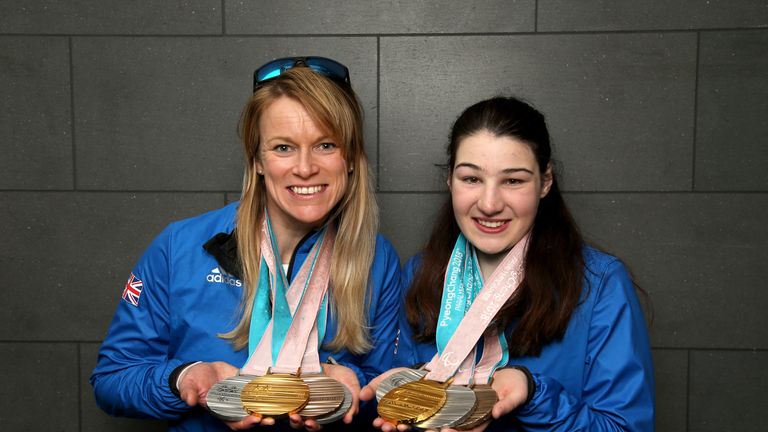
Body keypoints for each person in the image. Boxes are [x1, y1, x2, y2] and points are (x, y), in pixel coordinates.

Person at [91, 57, 402, 432]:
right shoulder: (180, 246)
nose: (304, 168)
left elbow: (389, 397)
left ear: (349, 157)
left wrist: (342, 385)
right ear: (257, 159)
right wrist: (183, 378)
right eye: (283, 148)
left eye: (325, 145)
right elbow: (111, 378)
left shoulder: (376, 259)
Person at [361, 96, 655, 431]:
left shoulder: (599, 284)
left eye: (513, 181)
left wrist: (533, 393)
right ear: (450, 180)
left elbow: (624, 427)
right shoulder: (421, 273)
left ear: (545, 182)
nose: (489, 204)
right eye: (471, 179)